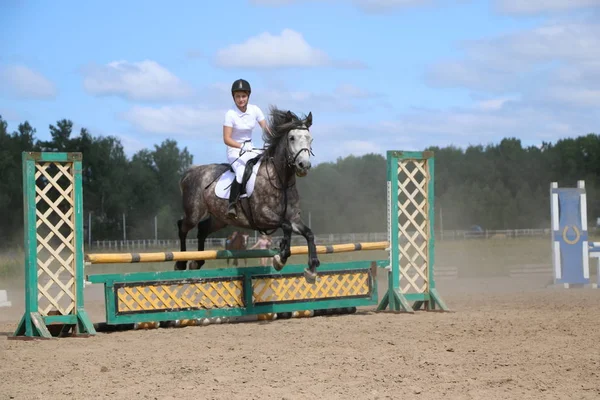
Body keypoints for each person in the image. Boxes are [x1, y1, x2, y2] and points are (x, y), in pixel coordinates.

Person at [223, 79, 271, 218]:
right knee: (241, 172)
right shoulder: (230, 114)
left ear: (248, 96)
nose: (241, 99)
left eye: (243, 96)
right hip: (235, 150)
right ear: (234, 97)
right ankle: (232, 205)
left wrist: (274, 138)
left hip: (251, 148)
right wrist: (241, 146)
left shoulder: (255, 110)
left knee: (267, 165)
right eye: (237, 96)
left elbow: (265, 128)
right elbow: (226, 139)